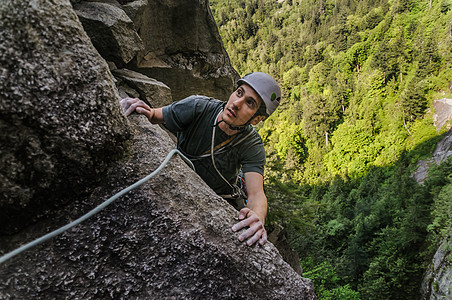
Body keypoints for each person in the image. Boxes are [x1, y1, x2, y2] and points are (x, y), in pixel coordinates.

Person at [120, 72, 281, 246]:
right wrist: (141, 108)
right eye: (239, 93)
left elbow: (256, 193)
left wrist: (257, 218)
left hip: (219, 196)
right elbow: (154, 115)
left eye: (249, 103)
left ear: (256, 119)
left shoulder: (251, 144)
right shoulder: (199, 107)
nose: (236, 103)